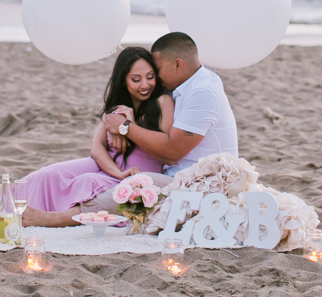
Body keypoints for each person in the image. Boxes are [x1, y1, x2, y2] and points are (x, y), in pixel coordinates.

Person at [20, 32, 238, 227]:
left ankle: (54, 219)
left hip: (198, 181)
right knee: (56, 173)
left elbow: (173, 151)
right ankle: (11, 197)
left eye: (156, 71)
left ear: (178, 65)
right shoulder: (187, 87)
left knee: (132, 188)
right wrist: (119, 125)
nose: (155, 79)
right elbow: (101, 140)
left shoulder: (202, 92)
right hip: (177, 174)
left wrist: (125, 127)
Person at [0, 46, 174, 217]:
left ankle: (37, 213)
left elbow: (165, 144)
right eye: (136, 79)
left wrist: (127, 126)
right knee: (49, 173)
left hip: (136, 172)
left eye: (150, 77)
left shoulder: (162, 103)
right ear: (123, 80)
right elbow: (97, 149)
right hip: (109, 167)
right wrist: (118, 172)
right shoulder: (117, 108)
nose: (145, 85)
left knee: (86, 181)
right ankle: (7, 197)